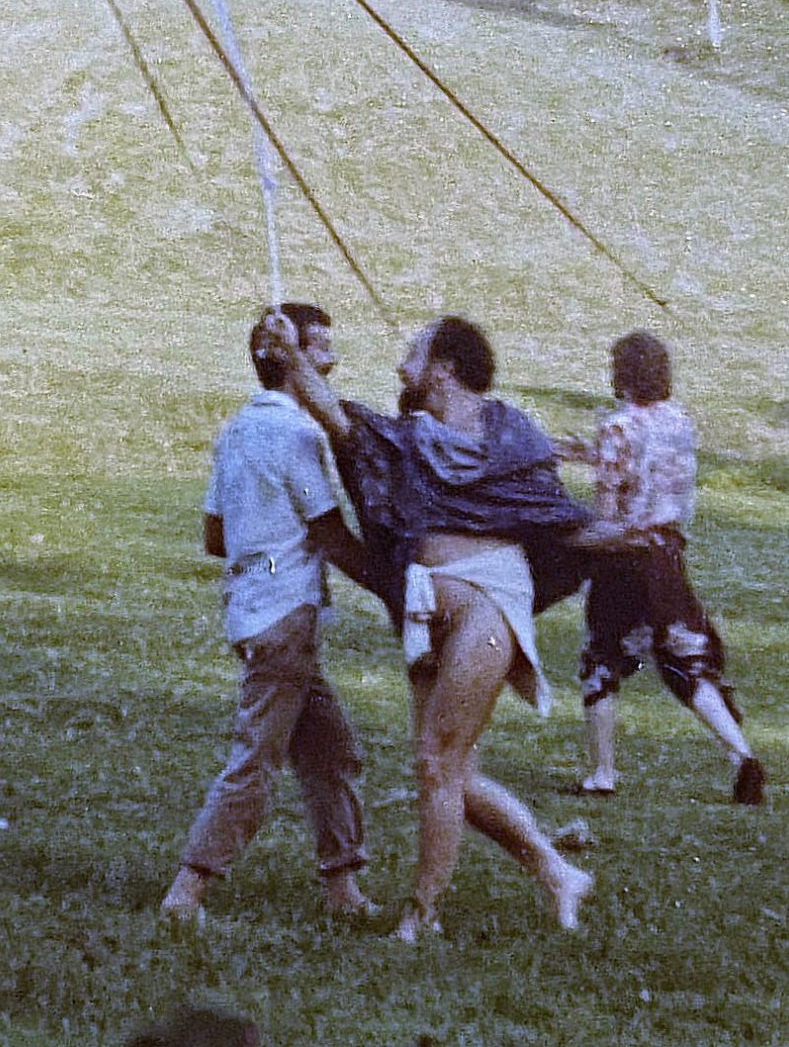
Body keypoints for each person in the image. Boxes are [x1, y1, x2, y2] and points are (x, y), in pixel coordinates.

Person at [263, 312, 616, 941]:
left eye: (411, 354)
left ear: (444, 368)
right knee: (447, 770)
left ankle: (420, 916)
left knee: (436, 760)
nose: (401, 367)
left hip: (489, 601)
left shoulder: (510, 435)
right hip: (426, 610)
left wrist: (631, 534)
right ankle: (558, 872)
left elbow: (555, 516)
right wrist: (291, 356)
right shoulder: (404, 442)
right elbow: (336, 417)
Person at [160, 305, 378, 923]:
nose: (333, 365)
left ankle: (343, 887)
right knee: (256, 759)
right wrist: (395, 587)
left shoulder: (235, 429)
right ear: (295, 361)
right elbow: (331, 534)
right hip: (284, 621)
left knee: (331, 749)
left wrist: (265, 546)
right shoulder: (299, 435)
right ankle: (187, 891)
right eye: (324, 353)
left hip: (254, 614)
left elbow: (213, 535)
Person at [562, 331, 763, 804]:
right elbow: (653, 464)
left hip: (624, 557)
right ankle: (741, 754)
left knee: (601, 659)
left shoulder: (616, 427)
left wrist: (579, 532)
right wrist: (588, 452)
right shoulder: (679, 421)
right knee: (685, 660)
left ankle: (602, 772)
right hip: (667, 554)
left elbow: (609, 509)